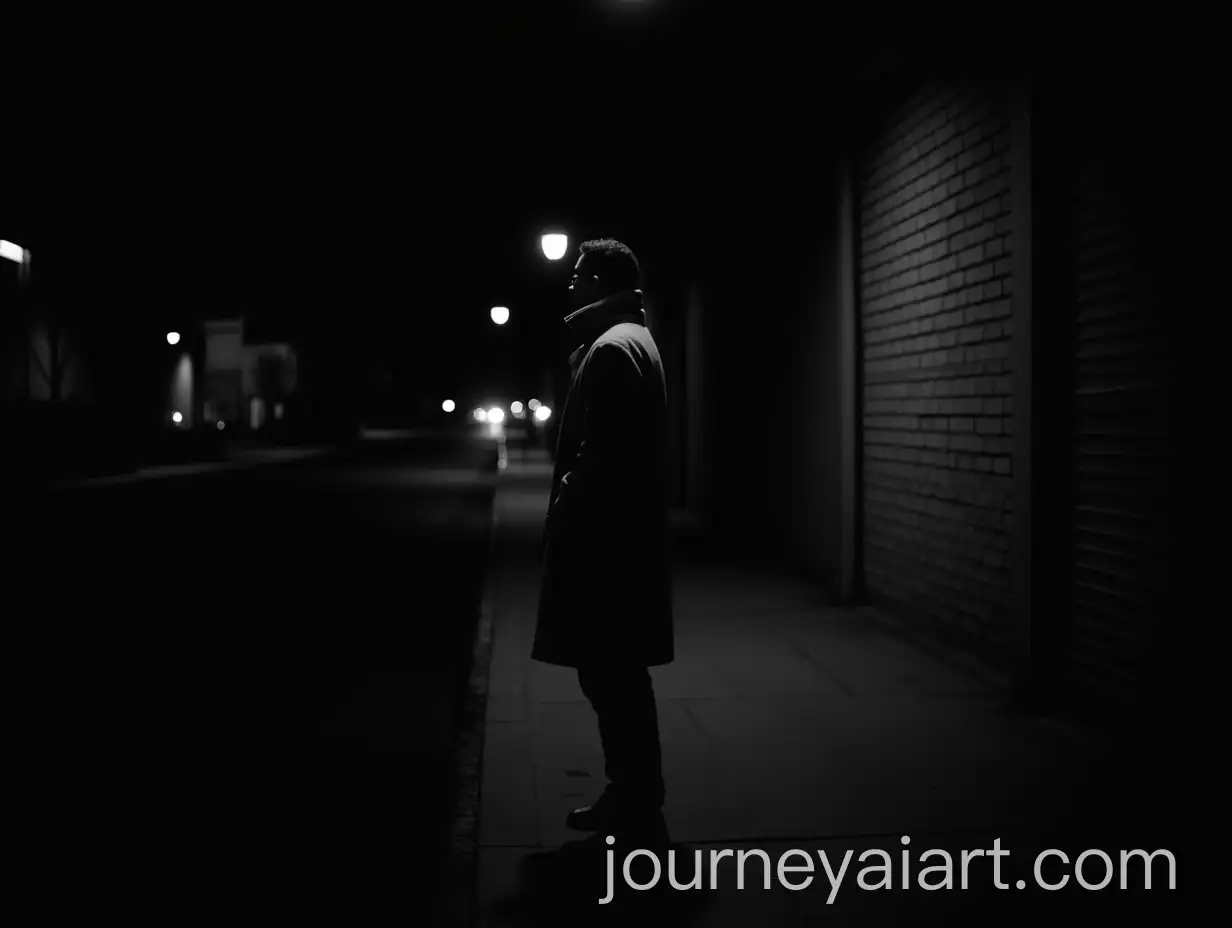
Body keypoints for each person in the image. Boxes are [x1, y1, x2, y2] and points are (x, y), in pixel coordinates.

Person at [533, 238, 673, 842]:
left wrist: (565, 504)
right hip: (622, 541)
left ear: (600, 281)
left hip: (605, 546)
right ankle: (637, 793)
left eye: (578, 275)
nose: (570, 285)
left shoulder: (613, 348)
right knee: (619, 674)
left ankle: (632, 796)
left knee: (610, 675)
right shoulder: (630, 339)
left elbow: (603, 454)